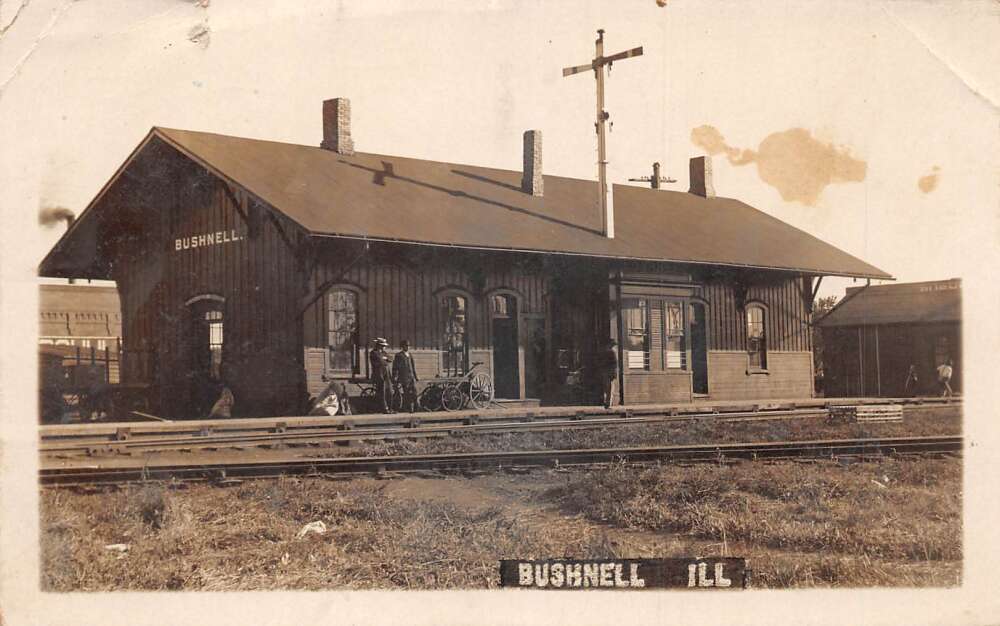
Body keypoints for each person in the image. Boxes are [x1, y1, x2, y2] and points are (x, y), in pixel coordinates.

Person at [392, 339, 419, 413]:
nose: (408, 347)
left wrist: (416, 376)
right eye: (406, 345)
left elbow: (413, 367)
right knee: (407, 393)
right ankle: (409, 408)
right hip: (404, 377)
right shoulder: (399, 355)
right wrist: (395, 376)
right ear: (402, 346)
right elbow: (395, 367)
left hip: (411, 377)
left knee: (414, 392)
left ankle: (416, 407)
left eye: (409, 346)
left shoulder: (410, 355)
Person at [369, 337, 394, 413]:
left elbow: (391, 358)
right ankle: (384, 408)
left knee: (389, 391)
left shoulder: (384, 353)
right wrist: (384, 359)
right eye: (382, 346)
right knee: (382, 392)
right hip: (379, 374)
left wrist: (384, 358)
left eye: (384, 346)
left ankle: (390, 408)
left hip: (387, 374)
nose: (384, 347)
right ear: (378, 345)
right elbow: (380, 361)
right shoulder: (373, 353)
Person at [599, 338, 619, 409]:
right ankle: (608, 404)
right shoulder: (612, 352)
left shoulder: (603, 352)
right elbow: (614, 364)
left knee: (605, 388)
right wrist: (615, 374)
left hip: (604, 372)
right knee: (610, 389)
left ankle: (605, 403)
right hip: (610, 373)